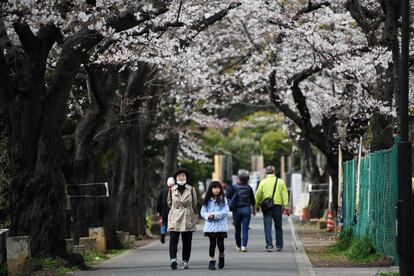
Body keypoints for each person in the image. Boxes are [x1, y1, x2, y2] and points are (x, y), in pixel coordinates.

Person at [167, 168, 197, 269]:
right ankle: (173, 259)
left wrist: (187, 211)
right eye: (179, 175)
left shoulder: (191, 189)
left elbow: (194, 204)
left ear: (186, 177)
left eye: (183, 175)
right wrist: (176, 210)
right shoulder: (171, 189)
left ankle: (185, 260)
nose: (181, 177)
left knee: (187, 241)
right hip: (175, 216)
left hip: (187, 216)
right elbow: (169, 203)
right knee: (173, 239)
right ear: (176, 178)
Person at [255, 165, 288, 252]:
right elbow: (285, 194)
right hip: (277, 206)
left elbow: (258, 194)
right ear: (274, 172)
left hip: (267, 207)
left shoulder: (263, 182)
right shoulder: (280, 182)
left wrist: (256, 205)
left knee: (267, 226)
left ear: (266, 173)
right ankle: (279, 245)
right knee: (278, 226)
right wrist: (286, 206)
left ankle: (269, 245)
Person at [200, 181, 229, 270]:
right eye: (214, 188)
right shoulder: (207, 200)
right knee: (212, 244)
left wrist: (215, 215)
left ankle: (221, 255)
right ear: (211, 189)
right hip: (210, 226)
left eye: (218, 188)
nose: (216, 190)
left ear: (220, 189)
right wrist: (208, 216)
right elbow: (202, 212)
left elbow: (225, 211)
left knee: (220, 244)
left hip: (221, 226)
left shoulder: (223, 199)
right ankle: (211, 261)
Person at [226, 169, 256, 252]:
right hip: (247, 210)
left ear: (238, 178)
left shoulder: (233, 187)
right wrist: (254, 210)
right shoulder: (249, 188)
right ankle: (244, 246)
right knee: (245, 229)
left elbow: (228, 197)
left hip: (236, 210)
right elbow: (253, 200)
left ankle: (238, 245)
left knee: (237, 229)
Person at [157, 177, 175, 244]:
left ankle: (162, 233)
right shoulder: (175, 191)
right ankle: (172, 236)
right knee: (171, 224)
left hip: (163, 211)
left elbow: (158, 202)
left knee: (163, 223)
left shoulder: (162, 191)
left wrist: (158, 211)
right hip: (172, 212)